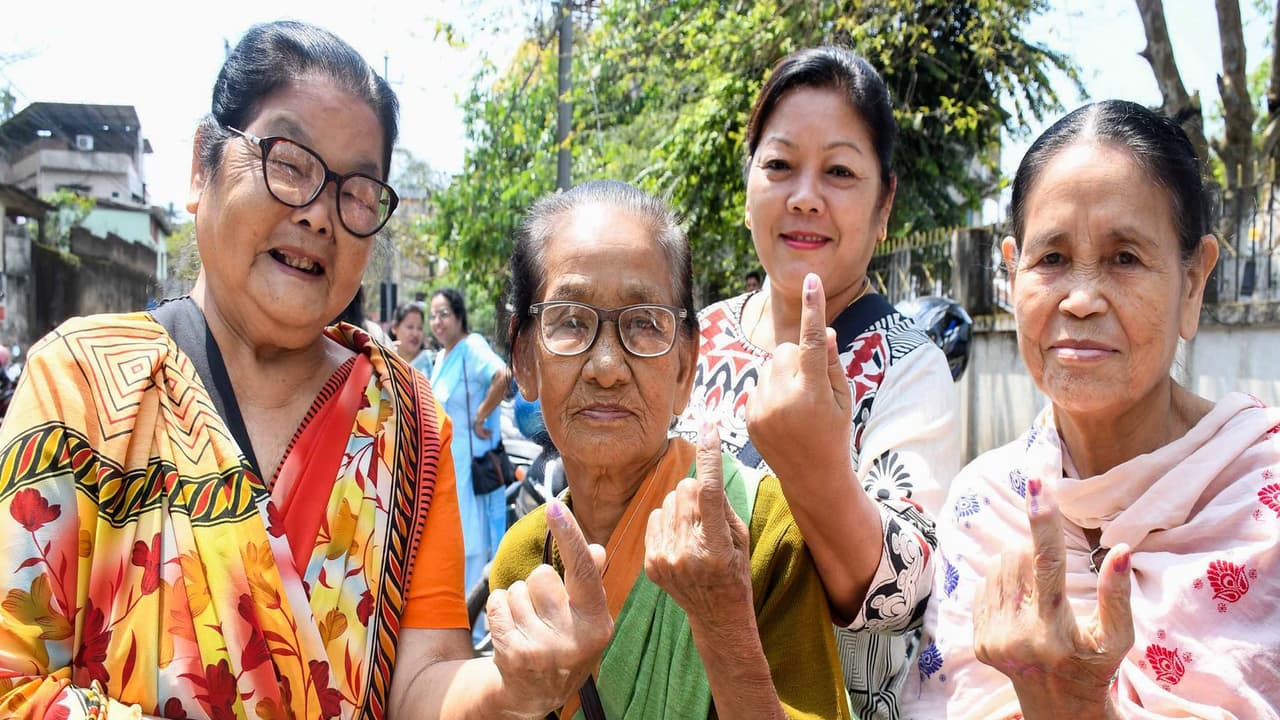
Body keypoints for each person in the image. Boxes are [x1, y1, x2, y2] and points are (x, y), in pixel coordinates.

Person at [903, 100, 1280, 718]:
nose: (1079, 299)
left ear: (1193, 282)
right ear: (1012, 273)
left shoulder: (1262, 499)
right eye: (1051, 260)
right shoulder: (986, 504)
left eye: (1125, 258)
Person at [490, 179, 849, 719]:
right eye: (569, 322)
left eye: (642, 324)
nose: (607, 368)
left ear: (685, 367)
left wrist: (724, 621)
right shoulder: (526, 557)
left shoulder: (762, 527)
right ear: (524, 359)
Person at [676, 45, 960, 718]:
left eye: (838, 171)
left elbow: (904, 599)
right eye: (779, 165)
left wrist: (814, 470)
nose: (804, 198)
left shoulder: (906, 363)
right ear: (748, 187)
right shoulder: (693, 336)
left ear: (884, 204)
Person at [427, 288, 511, 606]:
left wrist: (481, 414)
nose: (438, 321)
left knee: (472, 536)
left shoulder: (471, 346)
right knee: (453, 534)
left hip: (470, 458)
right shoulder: (442, 357)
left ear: (459, 315)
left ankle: (474, 615)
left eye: (444, 313)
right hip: (447, 457)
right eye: (433, 316)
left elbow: (502, 375)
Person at [390, 300, 434, 377]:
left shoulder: (431, 361)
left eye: (420, 328)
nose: (415, 334)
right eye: (410, 327)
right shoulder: (384, 361)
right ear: (394, 328)